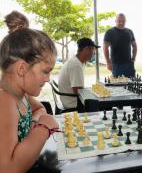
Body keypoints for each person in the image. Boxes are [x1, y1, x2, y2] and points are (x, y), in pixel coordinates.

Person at [0, 28, 59, 172]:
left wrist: (34, 123)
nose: (48, 78)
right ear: (22, 69)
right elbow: (8, 169)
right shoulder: (5, 100)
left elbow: (39, 109)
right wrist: (43, 128)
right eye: (45, 71)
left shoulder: (22, 95)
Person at [58, 37, 99, 109]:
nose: (94, 53)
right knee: (104, 104)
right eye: (93, 50)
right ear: (86, 49)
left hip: (70, 100)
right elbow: (78, 91)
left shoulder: (76, 61)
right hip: (73, 103)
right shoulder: (75, 65)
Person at [103, 13, 137, 78]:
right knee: (117, 85)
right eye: (119, 21)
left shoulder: (129, 31)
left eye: (123, 21)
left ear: (125, 21)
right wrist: (108, 62)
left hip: (129, 64)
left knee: (132, 85)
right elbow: (105, 48)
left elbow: (134, 46)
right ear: (115, 21)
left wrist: (133, 58)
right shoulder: (110, 32)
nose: (121, 23)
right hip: (116, 65)